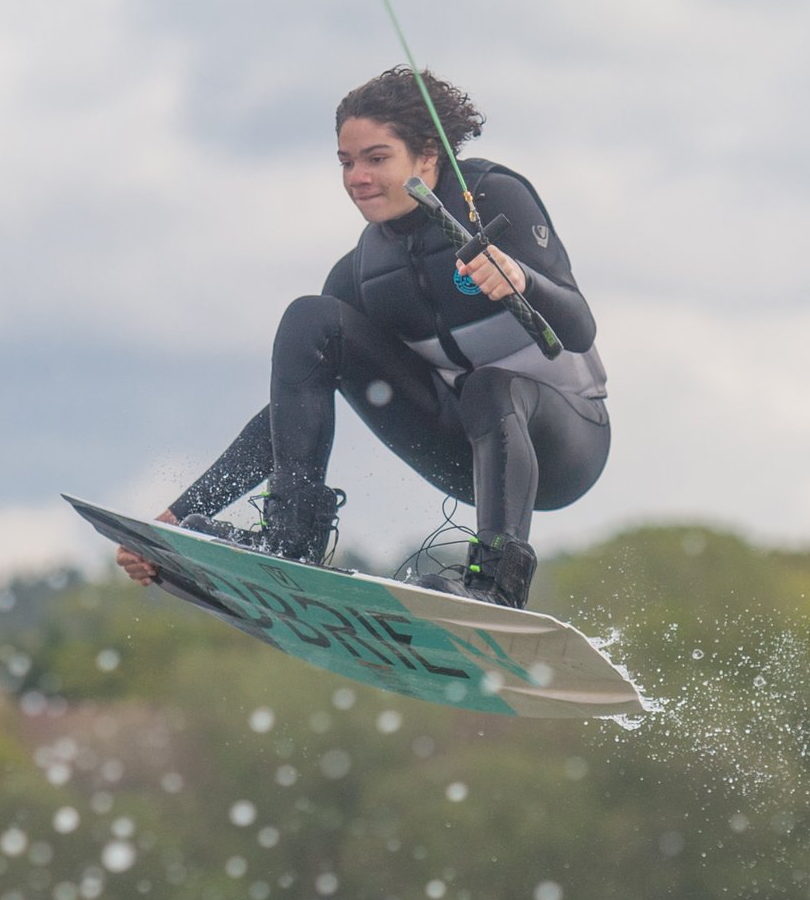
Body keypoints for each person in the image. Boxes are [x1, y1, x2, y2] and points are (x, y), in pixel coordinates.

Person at [115, 67, 608, 609]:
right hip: (461, 456)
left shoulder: (494, 197)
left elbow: (579, 327)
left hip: (565, 446)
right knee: (310, 319)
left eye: (376, 158)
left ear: (427, 154)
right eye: (346, 162)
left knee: (489, 386)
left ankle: (497, 584)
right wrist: (177, 518)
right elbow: (285, 416)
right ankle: (291, 537)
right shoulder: (365, 272)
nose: (357, 178)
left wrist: (522, 279)